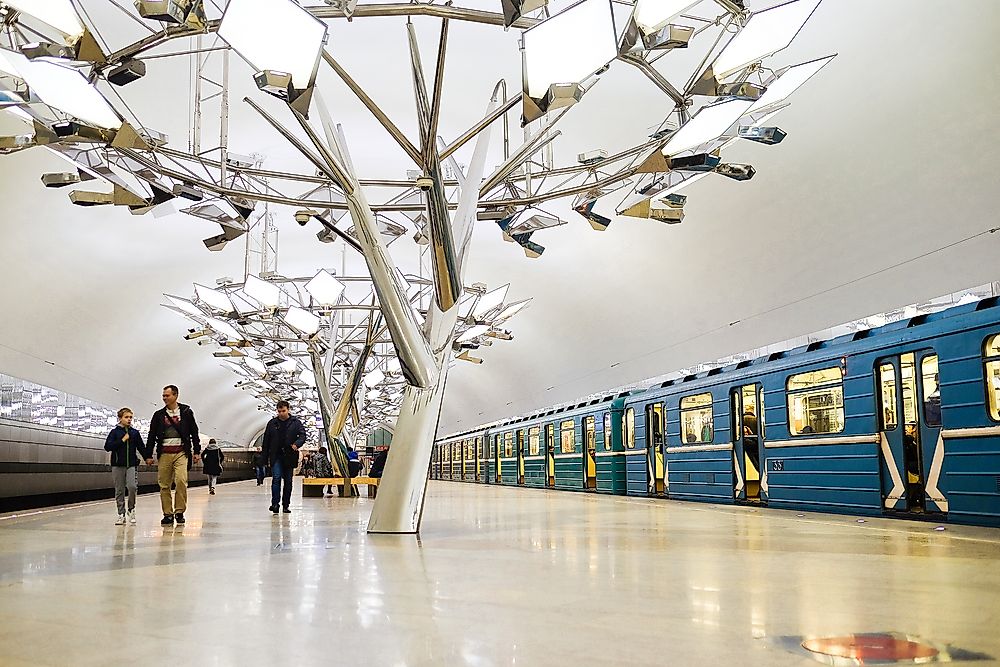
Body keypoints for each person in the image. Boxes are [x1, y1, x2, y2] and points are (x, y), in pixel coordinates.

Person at [148, 385, 201, 526]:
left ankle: (179, 511)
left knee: (181, 481)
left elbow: (194, 432)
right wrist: (148, 454)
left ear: (176, 395)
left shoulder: (186, 412)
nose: (164, 398)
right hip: (164, 453)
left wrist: (197, 451)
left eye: (167, 395)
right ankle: (167, 514)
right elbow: (152, 435)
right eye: (163, 395)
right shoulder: (158, 415)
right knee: (164, 484)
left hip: (181, 453)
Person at [104, 407, 152, 525]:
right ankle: (121, 513)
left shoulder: (134, 433)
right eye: (126, 417)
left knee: (132, 487)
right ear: (120, 418)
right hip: (117, 465)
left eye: (131, 417)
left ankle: (131, 509)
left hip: (131, 464)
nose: (129, 419)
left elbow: (141, 447)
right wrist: (122, 440)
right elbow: (108, 447)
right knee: (119, 490)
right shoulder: (114, 432)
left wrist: (147, 457)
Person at [262, 400, 306, 514]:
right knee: (276, 478)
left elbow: (302, 435)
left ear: (288, 410)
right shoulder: (272, 423)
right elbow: (266, 440)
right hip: (276, 455)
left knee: (288, 481)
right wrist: (264, 457)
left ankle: (286, 505)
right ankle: (275, 504)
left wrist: (297, 444)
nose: (281, 413)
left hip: (289, 455)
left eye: (283, 411)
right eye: (279, 411)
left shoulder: (296, 422)